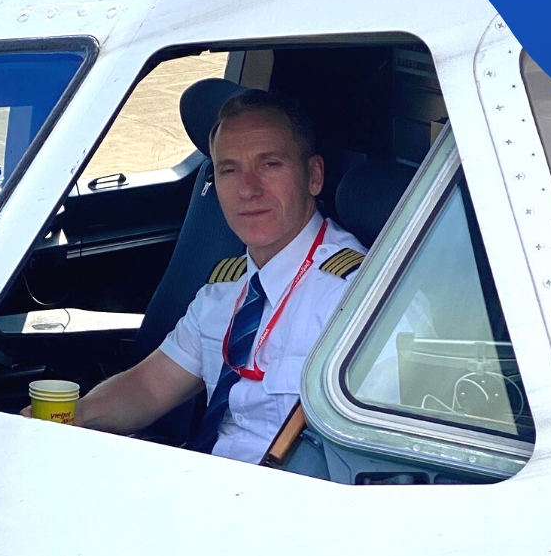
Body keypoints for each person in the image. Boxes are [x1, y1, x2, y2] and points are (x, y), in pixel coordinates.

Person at [23, 89, 367, 464]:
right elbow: (150, 386)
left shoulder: (355, 297)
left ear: (313, 176)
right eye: (229, 170)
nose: (248, 189)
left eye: (269, 165)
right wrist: (78, 416)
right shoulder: (228, 287)